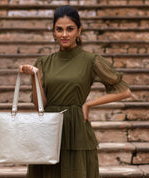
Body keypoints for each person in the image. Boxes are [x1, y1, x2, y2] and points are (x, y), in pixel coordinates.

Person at [19, 5, 131, 178]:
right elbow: (40, 104)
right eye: (59, 29)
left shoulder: (90, 60)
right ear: (54, 32)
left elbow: (124, 91)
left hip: (76, 130)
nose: (64, 34)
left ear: (79, 31)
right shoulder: (43, 62)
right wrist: (34, 76)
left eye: (70, 29)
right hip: (48, 130)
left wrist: (89, 104)